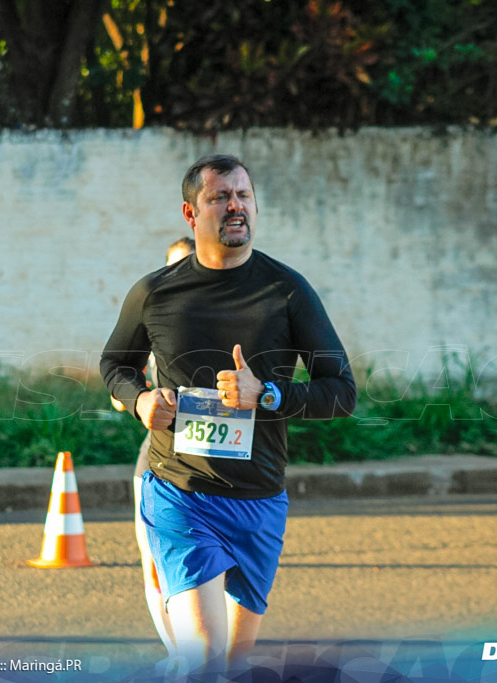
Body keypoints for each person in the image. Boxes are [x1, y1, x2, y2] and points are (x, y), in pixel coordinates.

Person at [100, 154, 357, 677]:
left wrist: (267, 395)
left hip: (259, 498)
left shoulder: (287, 291)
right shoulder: (155, 293)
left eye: (243, 195)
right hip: (180, 491)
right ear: (191, 214)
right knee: (205, 657)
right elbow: (114, 366)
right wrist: (140, 400)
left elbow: (341, 392)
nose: (235, 206)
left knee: (235, 666)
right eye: (219, 197)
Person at [111, 236, 195, 663]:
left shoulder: (231, 323)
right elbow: (119, 384)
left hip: (224, 469)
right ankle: (179, 653)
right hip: (158, 461)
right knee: (155, 560)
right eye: (174, 269)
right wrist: (140, 399)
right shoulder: (153, 320)